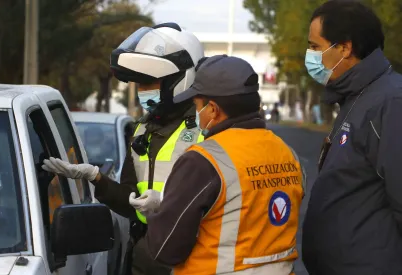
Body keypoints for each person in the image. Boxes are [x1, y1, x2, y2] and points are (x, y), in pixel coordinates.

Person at [41, 22, 205, 275]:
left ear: (178, 80)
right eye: (139, 85)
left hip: (189, 259)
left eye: (149, 82)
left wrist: (166, 204)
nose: (142, 92)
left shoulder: (204, 132)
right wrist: (96, 178)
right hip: (144, 256)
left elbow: (222, 203)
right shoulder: (142, 131)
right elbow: (130, 200)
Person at [141, 55, 305, 275]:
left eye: (197, 105)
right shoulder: (287, 153)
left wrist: (160, 212)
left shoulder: (203, 160)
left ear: (213, 110)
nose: (196, 113)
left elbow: (166, 250)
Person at [302, 1, 402, 274]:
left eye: (314, 46)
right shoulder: (356, 98)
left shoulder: (391, 103)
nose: (309, 55)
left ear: (344, 48)